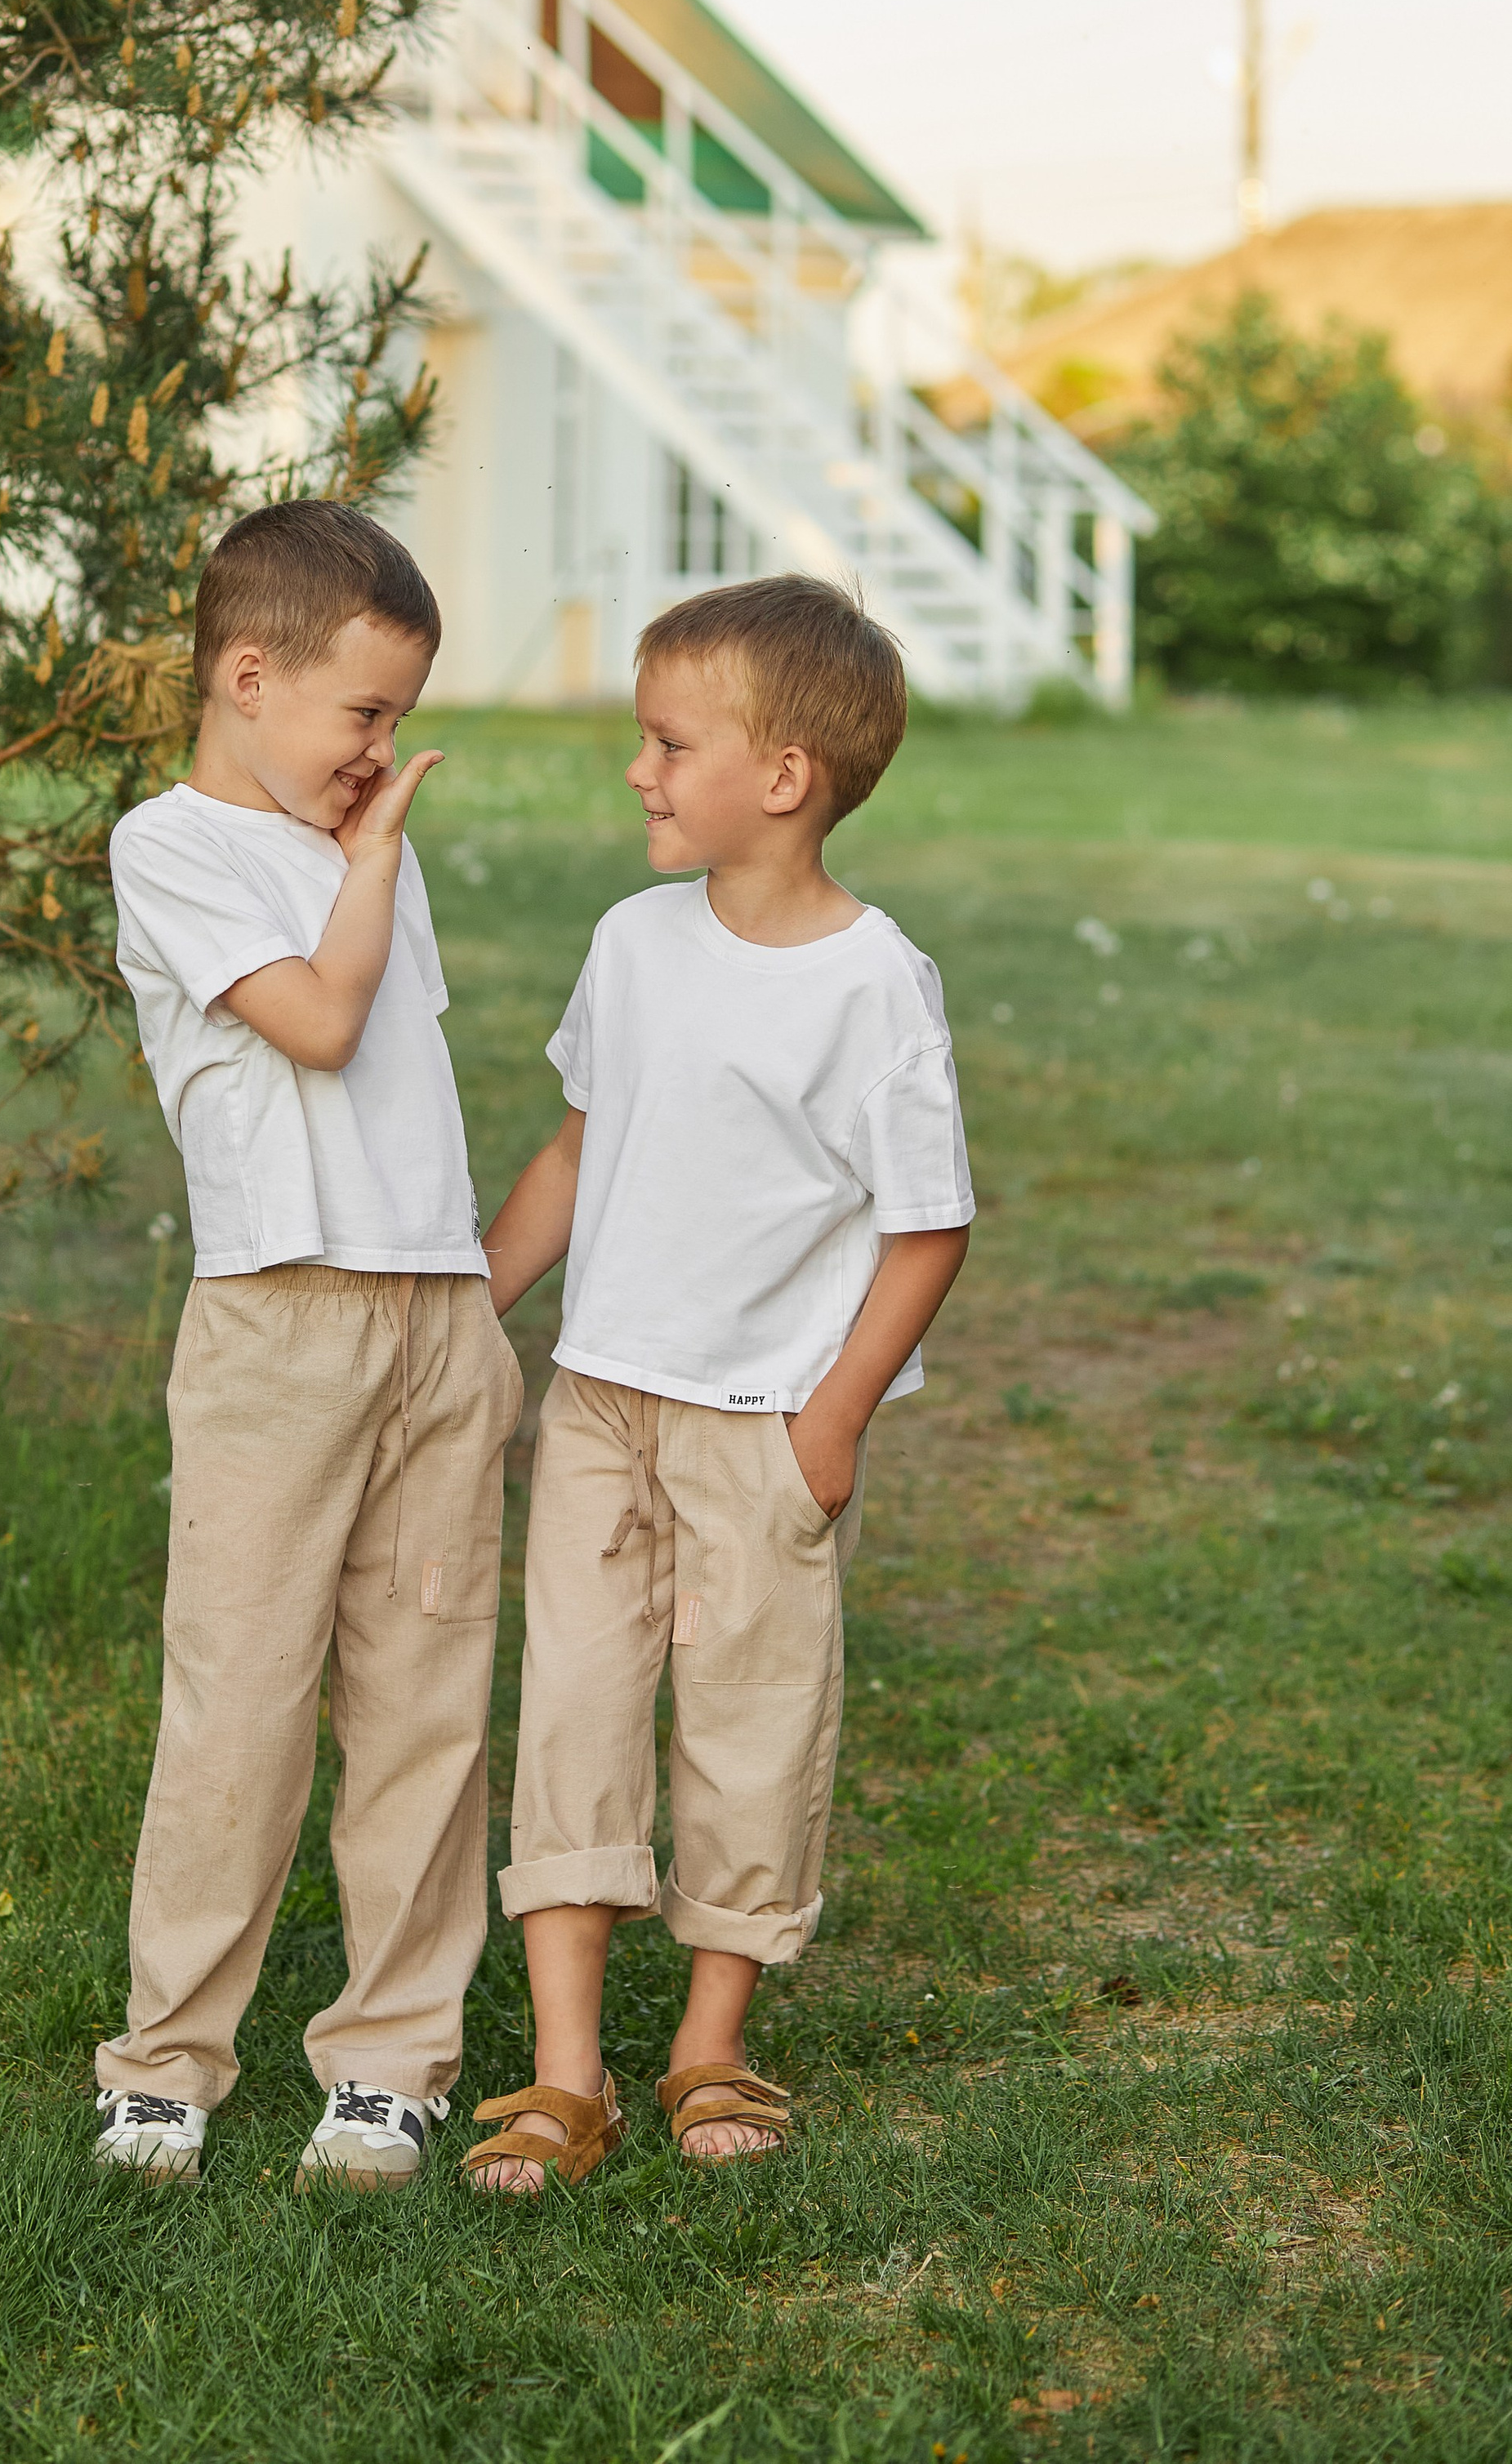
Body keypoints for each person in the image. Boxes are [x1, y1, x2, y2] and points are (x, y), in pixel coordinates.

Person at [461, 574, 973, 2195]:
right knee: (576, 1710)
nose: (637, 771)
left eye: (668, 743)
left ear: (782, 778)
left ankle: (706, 2044)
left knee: (749, 1722)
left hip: (761, 1422)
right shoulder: (631, 943)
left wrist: (825, 1423)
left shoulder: (871, 985)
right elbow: (577, 1145)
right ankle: (562, 2073)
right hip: (602, 1400)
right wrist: (473, 1304)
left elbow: (925, 1227)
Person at [91, 500, 520, 2191]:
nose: (381, 750)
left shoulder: (358, 853)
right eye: (362, 714)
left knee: (421, 1698)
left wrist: (471, 1299)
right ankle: (166, 2060)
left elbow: (404, 1094)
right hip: (278, 1321)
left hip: (431, 1314)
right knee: (242, 1697)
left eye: (400, 718)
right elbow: (323, 1029)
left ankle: (391, 2057)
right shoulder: (174, 845)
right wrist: (369, 860)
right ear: (247, 676)